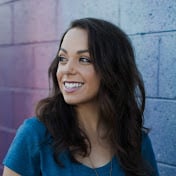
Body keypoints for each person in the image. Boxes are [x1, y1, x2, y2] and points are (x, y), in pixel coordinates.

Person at [2, 18, 159, 176]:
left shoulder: (135, 141)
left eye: (84, 60)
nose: (67, 69)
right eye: (62, 59)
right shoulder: (35, 135)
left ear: (112, 69)